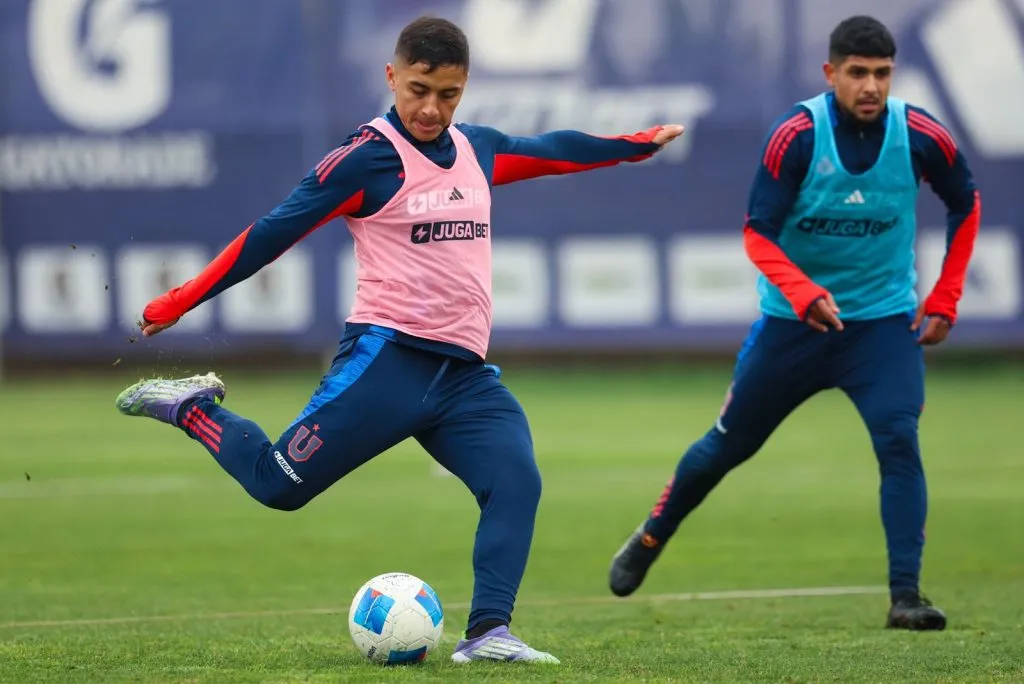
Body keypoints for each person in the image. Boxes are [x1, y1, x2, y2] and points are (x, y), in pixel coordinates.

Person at [115, 16, 684, 663]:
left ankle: (488, 634)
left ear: (463, 88)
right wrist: (181, 300)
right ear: (392, 76)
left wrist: (634, 145)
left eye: (448, 94)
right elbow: (271, 233)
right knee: (279, 487)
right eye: (418, 89)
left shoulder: (476, 149)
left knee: (515, 481)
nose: (431, 108)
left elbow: (553, 150)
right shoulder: (364, 160)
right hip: (387, 363)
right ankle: (192, 407)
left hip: (463, 378)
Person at [609, 15, 979, 632]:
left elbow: (966, 202)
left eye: (882, 74)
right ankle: (651, 536)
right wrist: (802, 292)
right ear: (830, 73)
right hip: (793, 328)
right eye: (857, 73)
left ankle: (906, 596)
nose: (871, 86)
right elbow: (758, 233)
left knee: (898, 441)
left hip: (881, 327)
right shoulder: (797, 136)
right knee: (726, 446)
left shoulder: (920, 134)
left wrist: (946, 295)